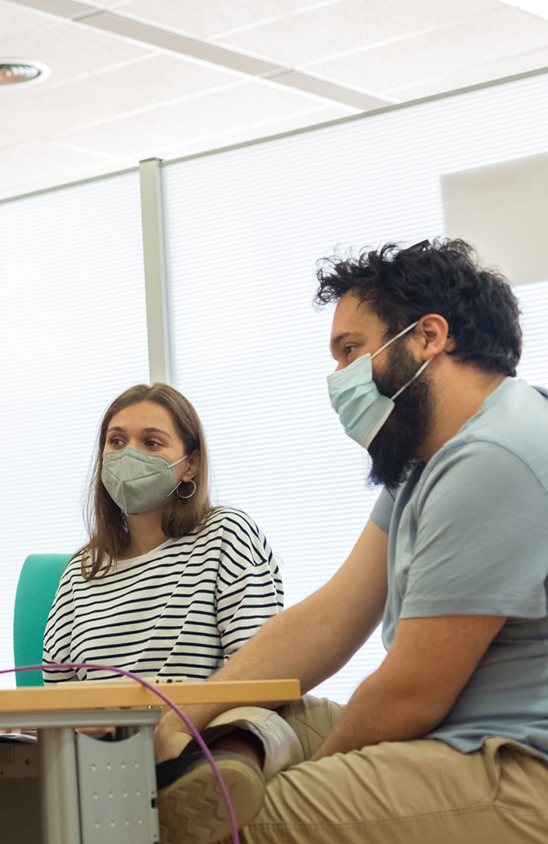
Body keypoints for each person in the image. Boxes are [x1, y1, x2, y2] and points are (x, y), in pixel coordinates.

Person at [152, 239, 548, 844]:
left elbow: (411, 694)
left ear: (428, 337)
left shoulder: (493, 457)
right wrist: (186, 714)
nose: (339, 379)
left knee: (233, 822)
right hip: (456, 741)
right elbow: (334, 615)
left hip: (513, 767)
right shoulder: (431, 457)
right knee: (244, 718)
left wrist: (317, 776)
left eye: (351, 351)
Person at [42, 384, 283, 692]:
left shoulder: (226, 537)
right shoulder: (82, 570)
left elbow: (258, 673)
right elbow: (56, 701)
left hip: (202, 736)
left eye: (152, 443)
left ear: (190, 464)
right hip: (99, 741)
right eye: (116, 441)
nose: (129, 454)